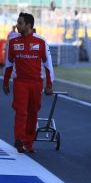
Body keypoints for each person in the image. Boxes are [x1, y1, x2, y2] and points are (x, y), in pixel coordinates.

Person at [3, 12, 54, 153]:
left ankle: (29, 142)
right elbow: (8, 64)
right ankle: (19, 139)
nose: (17, 25)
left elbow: (48, 64)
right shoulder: (13, 42)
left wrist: (49, 84)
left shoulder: (41, 41)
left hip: (36, 83)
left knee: (33, 112)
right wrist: (6, 82)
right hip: (20, 83)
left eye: (20, 23)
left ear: (28, 25)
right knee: (21, 111)